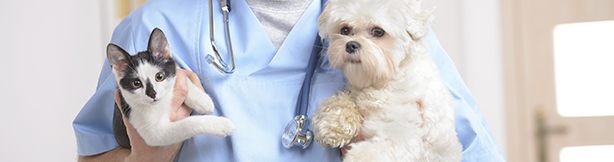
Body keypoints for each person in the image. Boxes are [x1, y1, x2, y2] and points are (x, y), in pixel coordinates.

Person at [73, 0, 506, 161]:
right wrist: (150, 157)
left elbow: (469, 150)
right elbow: (95, 155)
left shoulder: (383, 19)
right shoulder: (155, 24)